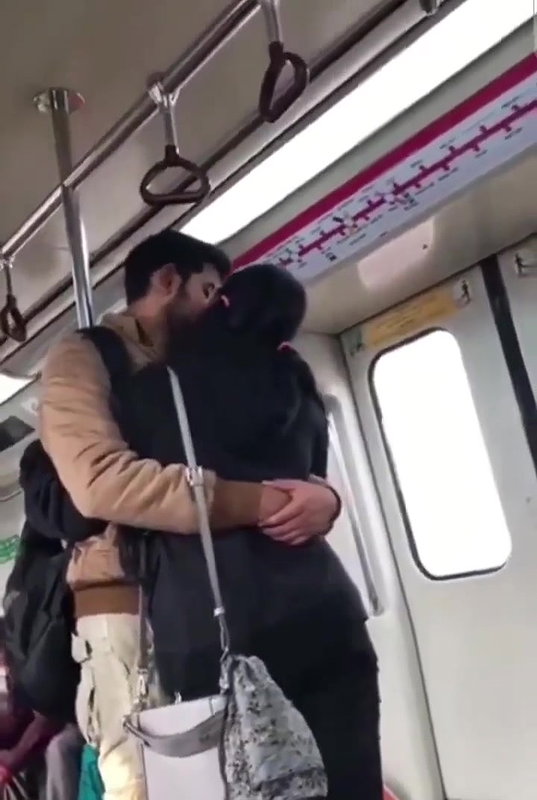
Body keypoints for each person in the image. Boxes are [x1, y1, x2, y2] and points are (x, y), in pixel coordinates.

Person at [29, 263, 381, 799]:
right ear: (168, 280)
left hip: (206, 615)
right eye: (207, 288)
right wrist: (304, 500)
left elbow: (98, 494)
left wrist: (311, 500)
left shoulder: (151, 392)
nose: (208, 303)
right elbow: (100, 487)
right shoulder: (295, 377)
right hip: (321, 603)